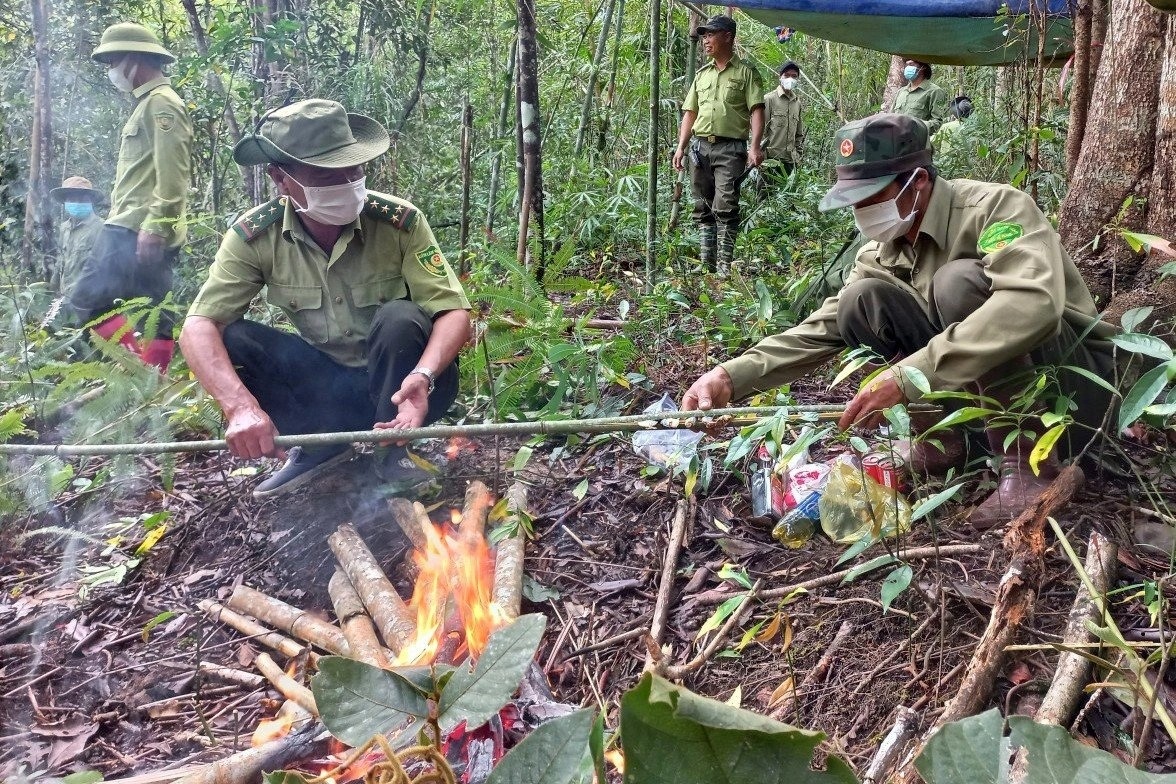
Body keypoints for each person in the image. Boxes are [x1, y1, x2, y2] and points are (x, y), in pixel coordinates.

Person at [681, 113, 1117, 528]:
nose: (862, 212)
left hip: (1071, 397)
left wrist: (909, 376)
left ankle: (1028, 465)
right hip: (983, 400)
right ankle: (945, 442)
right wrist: (729, 376)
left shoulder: (994, 209)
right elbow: (827, 324)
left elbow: (1032, 306)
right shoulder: (883, 246)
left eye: (872, 197)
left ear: (919, 182)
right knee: (860, 299)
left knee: (958, 283)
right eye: (854, 200)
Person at [178, 99, 471, 500]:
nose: (348, 183)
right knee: (234, 338)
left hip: (407, 389)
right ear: (280, 179)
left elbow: (454, 312)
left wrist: (422, 378)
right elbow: (197, 328)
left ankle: (394, 453)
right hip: (328, 391)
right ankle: (320, 446)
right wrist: (240, 407)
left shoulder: (398, 221)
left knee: (401, 317)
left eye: (354, 169)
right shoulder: (254, 237)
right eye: (326, 174)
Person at [71, 22, 192, 371]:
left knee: (88, 300)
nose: (112, 71)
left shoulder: (162, 105)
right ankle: (151, 387)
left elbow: (173, 174)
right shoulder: (148, 104)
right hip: (135, 225)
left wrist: (156, 225)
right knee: (152, 311)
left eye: (114, 62)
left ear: (134, 59)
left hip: (134, 227)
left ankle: (141, 376)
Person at [672, 15, 764, 274]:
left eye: (711, 34)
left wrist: (754, 147)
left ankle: (724, 266)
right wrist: (681, 146)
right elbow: (690, 112)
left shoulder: (746, 73)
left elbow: (757, 110)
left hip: (730, 148)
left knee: (726, 205)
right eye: (704, 35)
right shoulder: (702, 75)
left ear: (728, 36)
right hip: (700, 149)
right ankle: (706, 266)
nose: (706, 40)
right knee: (702, 205)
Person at [49, 176, 105, 318]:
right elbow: (61, 259)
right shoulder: (64, 228)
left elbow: (106, 268)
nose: (77, 202)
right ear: (65, 201)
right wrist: (52, 288)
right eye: (72, 199)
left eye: (82, 198)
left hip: (89, 302)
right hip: (64, 298)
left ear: (90, 201)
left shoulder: (102, 228)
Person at [761, 60, 806, 184]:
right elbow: (760, 131)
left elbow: (799, 134)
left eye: (794, 76)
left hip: (790, 162)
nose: (790, 79)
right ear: (780, 76)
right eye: (786, 75)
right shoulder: (769, 99)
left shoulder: (797, 103)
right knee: (766, 199)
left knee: (787, 201)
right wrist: (762, 159)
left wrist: (798, 155)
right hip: (770, 161)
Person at [891, 59, 950, 135]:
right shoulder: (901, 92)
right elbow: (891, 116)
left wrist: (915, 127)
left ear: (923, 67)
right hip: (896, 141)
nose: (908, 67)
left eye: (911, 64)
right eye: (907, 65)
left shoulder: (935, 91)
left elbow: (938, 122)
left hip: (918, 142)